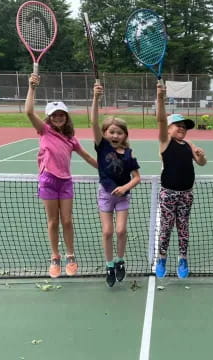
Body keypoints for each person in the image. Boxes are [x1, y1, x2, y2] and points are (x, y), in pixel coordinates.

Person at [25, 73, 98, 278]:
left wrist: (104, 169)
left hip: (65, 182)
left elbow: (86, 156)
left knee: (67, 220)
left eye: (61, 114)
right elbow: (29, 112)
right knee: (52, 221)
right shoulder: (44, 130)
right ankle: (55, 257)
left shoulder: (71, 139)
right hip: (48, 181)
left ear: (66, 117)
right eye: (54, 115)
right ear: (49, 117)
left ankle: (70, 255)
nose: (58, 117)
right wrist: (32, 87)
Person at [90, 82, 141, 287]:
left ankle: (120, 261)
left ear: (125, 136)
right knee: (107, 232)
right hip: (105, 194)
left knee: (120, 231)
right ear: (104, 134)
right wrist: (95, 98)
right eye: (111, 132)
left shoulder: (128, 155)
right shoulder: (101, 147)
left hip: (123, 197)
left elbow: (137, 177)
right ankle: (109, 264)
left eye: (119, 133)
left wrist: (125, 188)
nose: (115, 135)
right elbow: (93, 122)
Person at [155, 84, 207, 279]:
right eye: (178, 125)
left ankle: (183, 258)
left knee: (183, 228)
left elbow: (201, 163)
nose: (182, 128)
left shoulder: (188, 144)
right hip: (168, 193)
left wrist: (201, 156)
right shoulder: (165, 141)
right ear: (168, 129)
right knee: (166, 228)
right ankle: (161, 257)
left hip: (186, 193)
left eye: (185, 127)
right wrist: (160, 98)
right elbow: (160, 119)